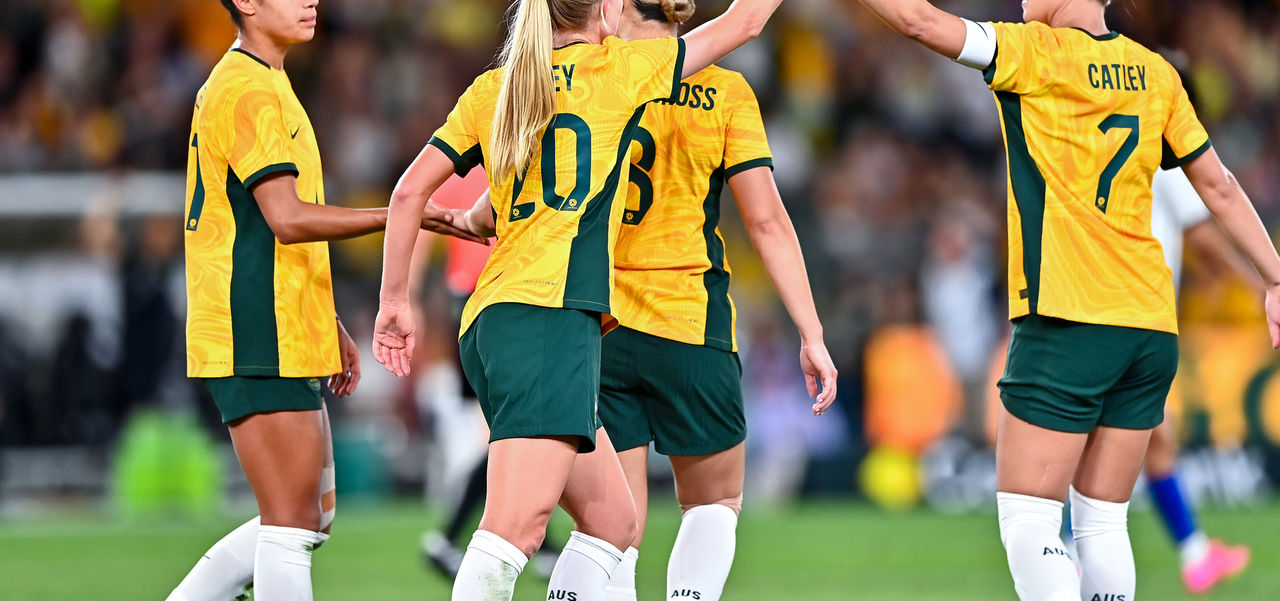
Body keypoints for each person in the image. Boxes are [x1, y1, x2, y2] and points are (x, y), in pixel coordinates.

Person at [851, 1, 1280, 600]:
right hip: (1150, 326)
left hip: (1067, 316)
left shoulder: (1033, 52)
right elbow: (1220, 186)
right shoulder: (1156, 72)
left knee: (1028, 519)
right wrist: (1275, 279)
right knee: (1103, 522)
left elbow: (920, 20)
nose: (1023, 1)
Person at [373, 1, 799, 599]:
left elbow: (410, 191)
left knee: (614, 523)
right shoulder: (619, 73)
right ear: (604, 11)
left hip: (495, 316)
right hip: (550, 319)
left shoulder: (500, 86)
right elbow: (744, 23)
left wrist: (396, 299)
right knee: (515, 530)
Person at [165, 1, 471, 600]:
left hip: (279, 322)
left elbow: (252, 225)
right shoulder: (245, 88)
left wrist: (321, 317)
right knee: (290, 526)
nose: (311, 0)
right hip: (253, 327)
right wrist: (402, 215)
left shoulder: (266, 80)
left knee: (311, 517)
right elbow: (286, 218)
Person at [587, 2, 838, 600]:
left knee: (610, 527)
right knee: (715, 503)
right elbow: (767, 221)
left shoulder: (594, 76)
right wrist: (812, 334)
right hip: (692, 325)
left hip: (598, 324)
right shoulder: (725, 92)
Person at [1143, 166, 1254, 594]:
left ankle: (1196, 553)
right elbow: (1202, 231)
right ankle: (1067, 549)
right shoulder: (1161, 146)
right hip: (1139, 315)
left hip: (1125, 313)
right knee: (1113, 437)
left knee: (1158, 437)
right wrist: (1257, 279)